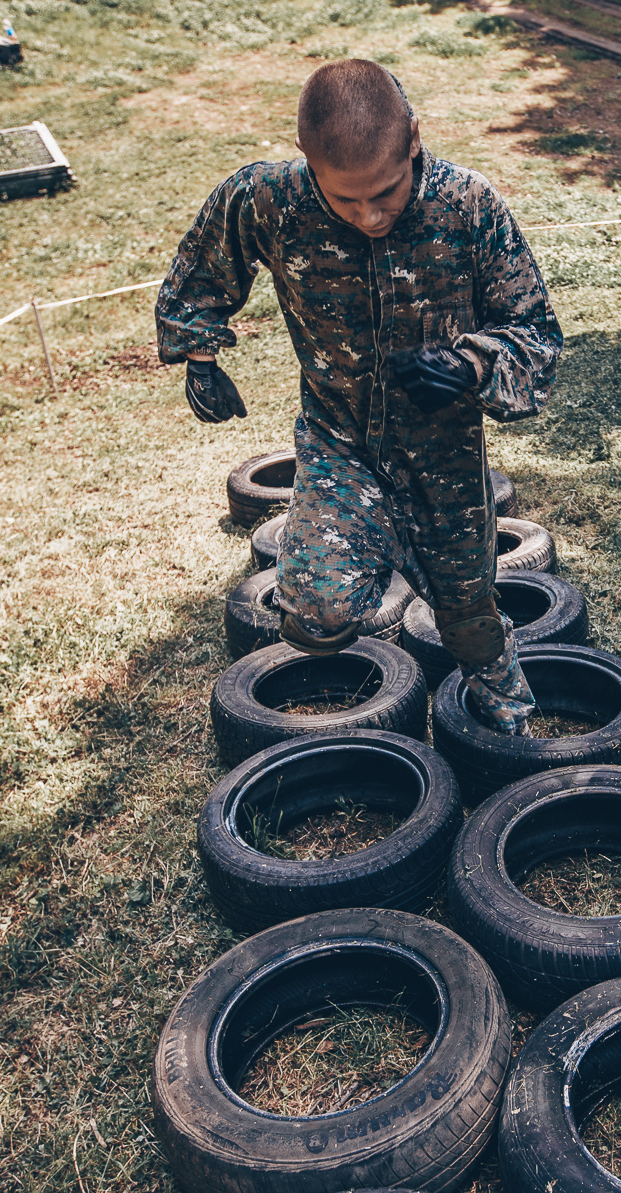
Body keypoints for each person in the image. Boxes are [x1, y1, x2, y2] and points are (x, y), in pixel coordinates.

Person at [155, 58, 562, 733]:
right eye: (345, 200)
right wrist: (197, 352)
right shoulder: (270, 198)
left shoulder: (469, 206)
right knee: (317, 612)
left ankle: (507, 715)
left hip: (444, 455)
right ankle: (365, 564)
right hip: (338, 442)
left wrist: (473, 363)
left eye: (387, 192)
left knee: (466, 610)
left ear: (413, 140)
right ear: (306, 161)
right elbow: (206, 259)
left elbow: (537, 334)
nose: (369, 215)